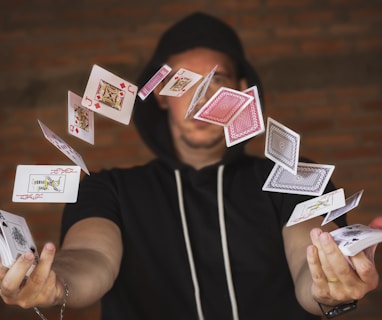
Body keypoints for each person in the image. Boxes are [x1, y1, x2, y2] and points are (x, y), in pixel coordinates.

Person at [0, 11, 381, 320]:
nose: (201, 101)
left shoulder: (294, 177)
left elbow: (309, 262)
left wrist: (328, 287)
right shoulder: (107, 190)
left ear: (244, 90)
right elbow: (92, 257)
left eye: (217, 82)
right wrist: (56, 283)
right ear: (161, 96)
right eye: (184, 85)